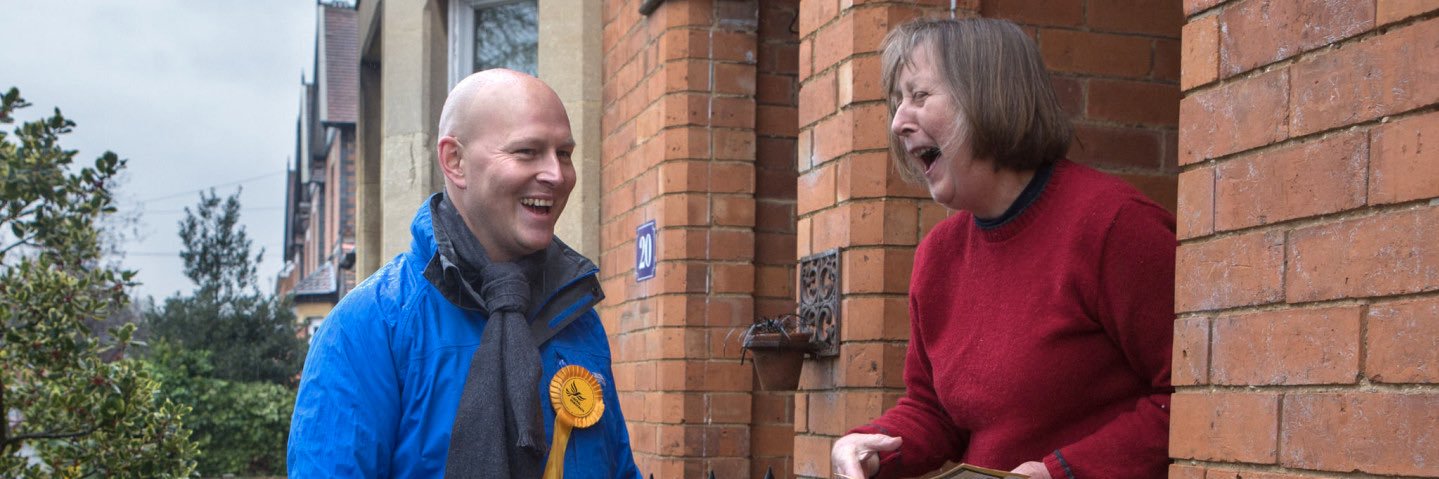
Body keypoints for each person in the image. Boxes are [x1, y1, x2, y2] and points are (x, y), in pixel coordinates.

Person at [830, 18, 1175, 479]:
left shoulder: (1115, 225)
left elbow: (1192, 399)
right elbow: (933, 411)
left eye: (918, 96)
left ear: (986, 95)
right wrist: (870, 447)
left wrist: (1062, 472)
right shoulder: (938, 256)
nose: (897, 122)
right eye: (897, 102)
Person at [288, 69, 642, 478]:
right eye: (527, 151)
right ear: (455, 161)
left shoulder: (579, 322)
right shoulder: (368, 326)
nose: (556, 175)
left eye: (563, 153)